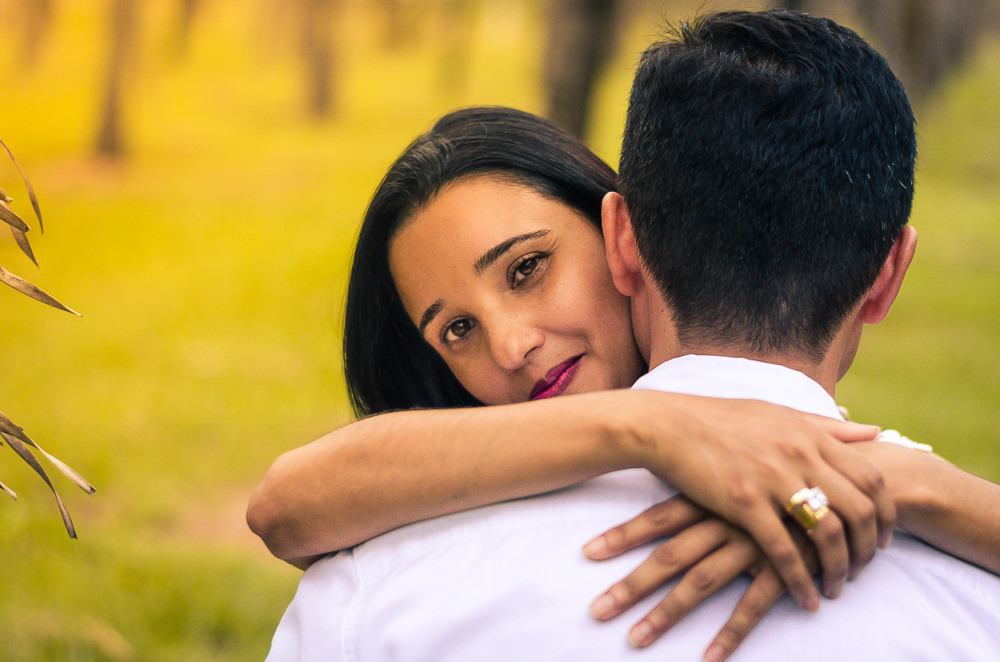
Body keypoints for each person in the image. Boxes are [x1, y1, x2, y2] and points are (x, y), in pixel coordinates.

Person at [253, 15, 1000, 659]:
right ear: (887, 275)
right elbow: (282, 505)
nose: (511, 348)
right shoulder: (973, 601)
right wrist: (653, 424)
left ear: (618, 236)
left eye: (527, 269)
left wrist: (901, 484)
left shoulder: (375, 591)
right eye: (455, 330)